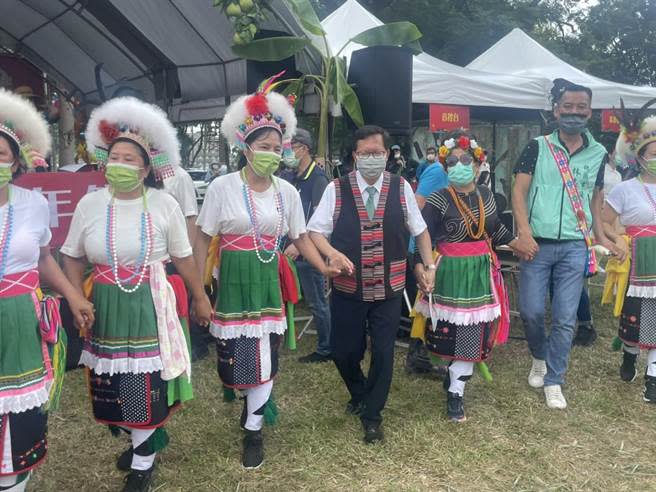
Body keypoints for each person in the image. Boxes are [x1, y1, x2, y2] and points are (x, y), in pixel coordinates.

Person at [61, 97, 212, 492]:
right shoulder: (90, 204)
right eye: (116, 157)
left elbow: (184, 258)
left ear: (146, 168)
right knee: (112, 382)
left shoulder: (164, 204)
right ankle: (139, 440)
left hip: (150, 300)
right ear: (103, 162)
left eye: (131, 159)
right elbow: (72, 257)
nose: (121, 165)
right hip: (106, 304)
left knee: (143, 380)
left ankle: (143, 464)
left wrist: (199, 297)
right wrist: (77, 298)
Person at [194, 83, 346, 470]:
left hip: (267, 277)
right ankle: (250, 401)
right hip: (231, 278)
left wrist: (323, 263)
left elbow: (300, 237)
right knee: (235, 355)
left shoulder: (287, 192)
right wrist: (198, 290)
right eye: (263, 146)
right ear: (244, 147)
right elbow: (202, 239)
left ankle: (254, 428)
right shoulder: (221, 187)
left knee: (265, 352)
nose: (272, 154)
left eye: (277, 147)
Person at [308, 125, 435, 444]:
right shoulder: (336, 189)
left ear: (387, 155)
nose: (372, 159)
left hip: (389, 288)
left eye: (378, 153)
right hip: (348, 287)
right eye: (365, 154)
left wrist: (428, 265)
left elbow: (419, 231)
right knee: (343, 351)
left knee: (383, 351)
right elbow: (315, 232)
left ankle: (372, 415)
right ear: (354, 156)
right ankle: (359, 391)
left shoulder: (401, 187)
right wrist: (332, 254)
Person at [0, 88, 95, 492]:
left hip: (20, 315)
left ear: (17, 161)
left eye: (1, 154)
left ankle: (13, 480)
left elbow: (44, 260)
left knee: (19, 412)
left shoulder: (35, 204)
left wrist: (74, 296)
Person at [512, 79, 617, 410]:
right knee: (530, 311)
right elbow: (518, 191)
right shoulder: (537, 146)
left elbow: (596, 197)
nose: (574, 113)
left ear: (590, 112)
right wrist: (524, 232)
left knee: (565, 316)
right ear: (556, 110)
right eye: (568, 107)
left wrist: (602, 236)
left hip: (575, 246)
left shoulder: (598, 152)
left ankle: (555, 379)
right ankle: (539, 357)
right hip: (537, 245)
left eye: (581, 108)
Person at [412, 132, 518, 421]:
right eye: (454, 161)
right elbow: (423, 237)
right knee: (448, 333)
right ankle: (451, 373)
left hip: (480, 271)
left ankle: (456, 393)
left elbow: (496, 229)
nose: (460, 165)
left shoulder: (486, 195)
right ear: (446, 168)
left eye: (466, 160)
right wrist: (420, 267)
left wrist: (522, 244)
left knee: (472, 332)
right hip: (449, 272)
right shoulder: (438, 198)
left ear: (477, 163)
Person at [602, 107, 656, 401]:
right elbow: (605, 221)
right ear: (639, 157)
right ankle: (629, 354)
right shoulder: (625, 189)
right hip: (637, 259)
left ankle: (653, 379)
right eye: (653, 153)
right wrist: (617, 240)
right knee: (638, 315)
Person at [281, 128, 332, 363]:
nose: (286, 152)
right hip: (287, 248)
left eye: (290, 147)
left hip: (309, 251)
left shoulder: (318, 178)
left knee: (317, 302)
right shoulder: (290, 177)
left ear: (304, 149)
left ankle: (325, 348)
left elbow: (320, 218)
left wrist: (300, 246)